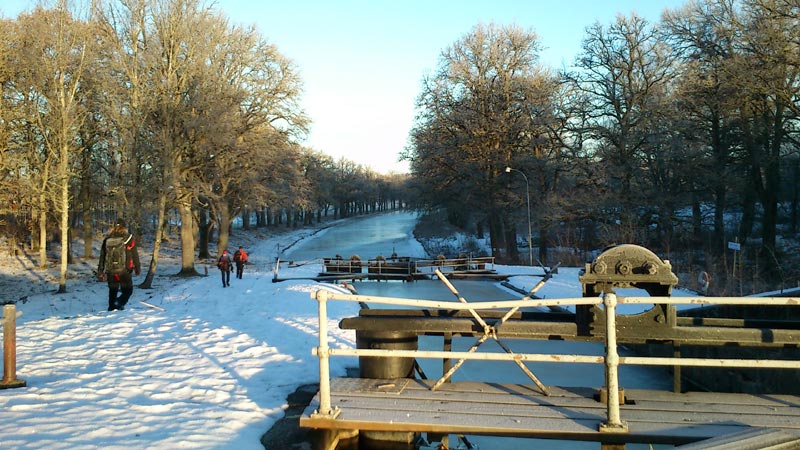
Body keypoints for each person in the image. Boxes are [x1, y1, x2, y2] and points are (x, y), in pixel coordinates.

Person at [98, 219, 141, 311]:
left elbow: (102, 256)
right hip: (124, 270)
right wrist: (137, 267)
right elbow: (134, 254)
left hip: (110, 270)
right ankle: (119, 303)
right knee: (128, 290)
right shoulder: (128, 238)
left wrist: (100, 271)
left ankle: (111, 308)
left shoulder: (107, 239)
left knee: (112, 291)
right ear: (124, 227)